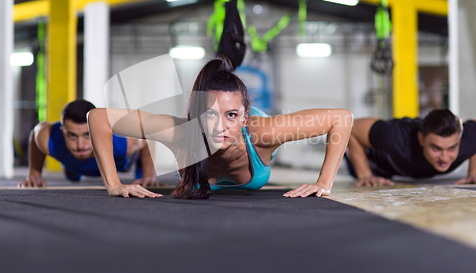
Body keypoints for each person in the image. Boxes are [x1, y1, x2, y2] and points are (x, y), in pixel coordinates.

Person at [87, 56, 353, 199]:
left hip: (250, 135)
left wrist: (324, 182)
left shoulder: (263, 132)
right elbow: (98, 117)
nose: (219, 127)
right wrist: (113, 184)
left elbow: (341, 118)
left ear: (244, 117)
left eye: (231, 115)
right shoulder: (181, 133)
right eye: (209, 115)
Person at [20, 99, 160, 187]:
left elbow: (147, 135)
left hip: (120, 163)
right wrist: (34, 173)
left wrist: (148, 174)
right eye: (72, 136)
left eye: (87, 135)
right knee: (73, 175)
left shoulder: (125, 142)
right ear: (63, 131)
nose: (81, 145)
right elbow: (35, 135)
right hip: (73, 164)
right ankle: (72, 167)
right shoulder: (47, 137)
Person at [345, 109, 476, 187]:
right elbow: (352, 128)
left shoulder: (466, 139)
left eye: (452, 148)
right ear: (421, 139)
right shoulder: (396, 137)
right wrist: (365, 175)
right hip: (375, 162)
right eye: (436, 149)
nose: (445, 158)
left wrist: (473, 173)